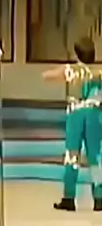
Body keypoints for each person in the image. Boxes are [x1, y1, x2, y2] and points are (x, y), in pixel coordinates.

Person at [42, 36, 102, 212]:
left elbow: (46, 76)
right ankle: (99, 198)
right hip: (94, 114)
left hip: (76, 114)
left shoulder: (71, 70)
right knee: (95, 157)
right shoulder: (99, 72)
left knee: (72, 155)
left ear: (77, 54)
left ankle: (69, 198)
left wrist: (66, 70)